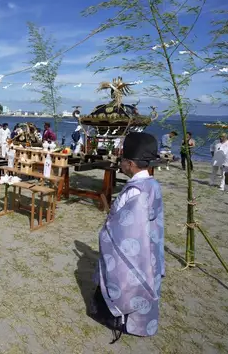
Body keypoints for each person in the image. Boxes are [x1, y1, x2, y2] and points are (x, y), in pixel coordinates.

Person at [92, 132, 164, 342]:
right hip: (147, 249)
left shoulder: (135, 193)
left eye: (122, 159)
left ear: (130, 164)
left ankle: (120, 319)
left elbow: (123, 232)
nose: (119, 162)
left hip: (132, 253)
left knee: (126, 283)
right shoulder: (152, 185)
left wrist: (106, 229)